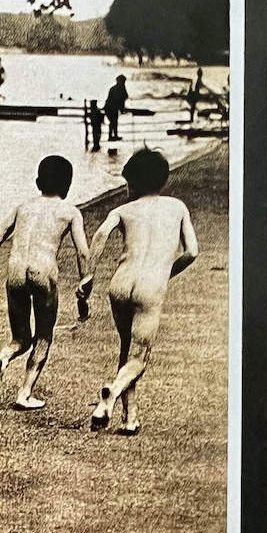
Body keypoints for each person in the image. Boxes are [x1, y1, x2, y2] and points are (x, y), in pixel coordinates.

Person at [87, 149, 198, 434]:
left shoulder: (122, 210)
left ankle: (130, 417)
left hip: (120, 283)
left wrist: (88, 274)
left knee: (126, 349)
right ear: (163, 181)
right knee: (139, 358)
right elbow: (192, 252)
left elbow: (99, 235)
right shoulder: (177, 206)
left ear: (132, 183)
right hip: (150, 284)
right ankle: (111, 392)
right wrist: (167, 273)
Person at [0, 156, 91, 410]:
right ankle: (24, 393)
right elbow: (82, 252)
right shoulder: (70, 212)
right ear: (68, 184)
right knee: (43, 336)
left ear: (38, 181)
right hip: (43, 272)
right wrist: (85, 285)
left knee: (20, 338)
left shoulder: (22, 207)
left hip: (15, 271)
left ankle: (2, 358)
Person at [104, 75, 128, 141]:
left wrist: (121, 108)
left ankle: (114, 135)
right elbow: (122, 99)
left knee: (114, 122)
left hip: (113, 108)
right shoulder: (117, 89)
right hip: (110, 108)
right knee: (113, 122)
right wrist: (122, 109)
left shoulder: (118, 88)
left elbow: (124, 98)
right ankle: (111, 136)